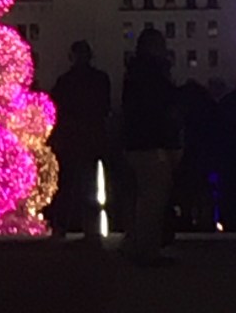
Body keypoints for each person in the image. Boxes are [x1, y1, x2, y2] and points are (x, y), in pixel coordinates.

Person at [121, 28, 183, 265]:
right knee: (153, 200)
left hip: (136, 143)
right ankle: (147, 250)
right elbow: (162, 110)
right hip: (152, 145)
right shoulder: (155, 75)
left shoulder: (134, 74)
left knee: (141, 198)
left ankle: (136, 244)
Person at [51, 40, 111, 237]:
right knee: (88, 186)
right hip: (91, 139)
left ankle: (62, 227)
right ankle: (90, 230)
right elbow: (104, 109)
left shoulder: (65, 81)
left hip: (72, 140)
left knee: (68, 185)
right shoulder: (100, 80)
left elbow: (58, 110)